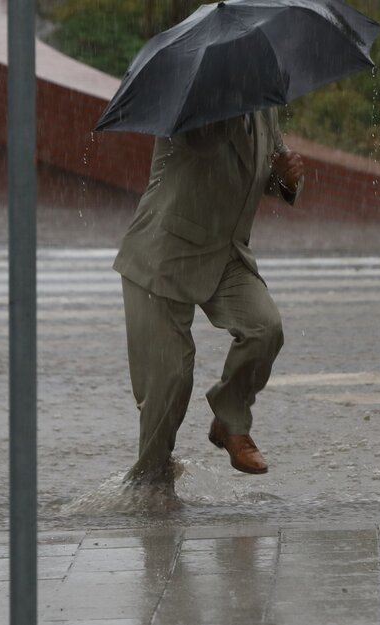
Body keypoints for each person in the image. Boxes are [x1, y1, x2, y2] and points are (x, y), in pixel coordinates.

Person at [113, 109, 304, 485]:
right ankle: (151, 483)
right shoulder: (191, 106)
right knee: (169, 379)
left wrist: (286, 177)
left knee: (265, 328)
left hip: (224, 253)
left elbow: (263, 168)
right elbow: (205, 145)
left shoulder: (261, 108)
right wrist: (231, 104)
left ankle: (230, 420)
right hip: (163, 253)